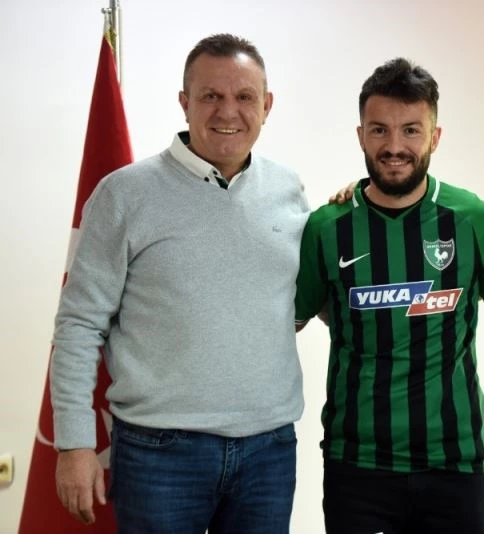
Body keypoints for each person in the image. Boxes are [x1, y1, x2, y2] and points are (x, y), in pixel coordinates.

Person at [50, 33, 308, 533]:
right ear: (184, 102)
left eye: (244, 96)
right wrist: (75, 443)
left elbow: (302, 296)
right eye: (211, 95)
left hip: (269, 451)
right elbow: (79, 324)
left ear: (267, 105)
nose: (227, 111)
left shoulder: (289, 189)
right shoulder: (125, 194)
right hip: (160, 454)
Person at [294, 58, 484, 534]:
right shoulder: (327, 228)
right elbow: (296, 316)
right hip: (357, 465)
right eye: (379, 130)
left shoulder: (473, 219)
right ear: (361, 135)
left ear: (435, 136)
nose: (394, 146)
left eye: (411, 130)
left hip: (454, 462)